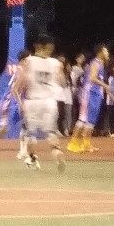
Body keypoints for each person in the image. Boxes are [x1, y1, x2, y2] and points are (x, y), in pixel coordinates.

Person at [17, 34, 66, 172]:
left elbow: (23, 83)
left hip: (33, 101)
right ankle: (57, 152)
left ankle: (33, 158)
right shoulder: (56, 63)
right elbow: (62, 83)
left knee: (30, 134)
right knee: (51, 132)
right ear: (50, 47)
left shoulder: (28, 61)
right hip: (49, 102)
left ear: (37, 45)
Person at [67, 44, 111, 153]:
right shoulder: (95, 63)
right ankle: (72, 143)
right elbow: (92, 78)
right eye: (105, 51)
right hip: (89, 94)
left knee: (91, 120)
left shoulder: (101, 63)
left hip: (96, 94)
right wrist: (105, 85)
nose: (107, 53)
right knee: (83, 118)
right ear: (100, 52)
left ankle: (86, 143)